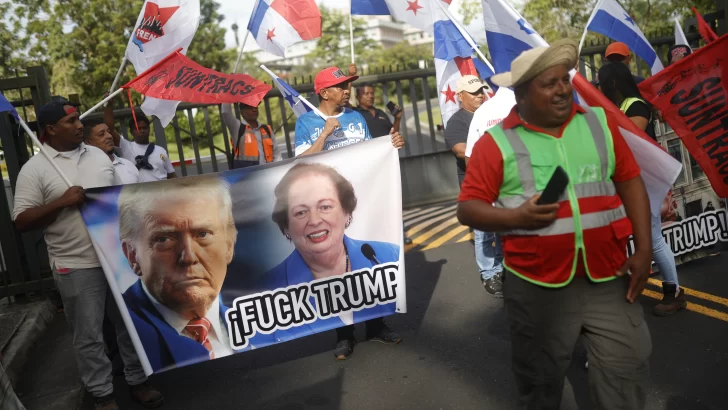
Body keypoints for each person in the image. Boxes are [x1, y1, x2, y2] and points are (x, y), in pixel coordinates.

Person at [457, 39, 653, 410]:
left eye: (565, 79)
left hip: (608, 278)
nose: (563, 89)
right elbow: (468, 209)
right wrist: (515, 217)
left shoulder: (598, 123)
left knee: (626, 370)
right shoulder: (496, 143)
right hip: (537, 287)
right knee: (541, 386)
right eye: (550, 84)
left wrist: (643, 249)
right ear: (523, 95)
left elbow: (629, 179)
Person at [12, 101, 163, 410]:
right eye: (70, 121)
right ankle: (103, 394)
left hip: (117, 257)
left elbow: (122, 199)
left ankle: (137, 380)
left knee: (130, 324)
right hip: (76, 263)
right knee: (89, 333)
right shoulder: (35, 170)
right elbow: (22, 221)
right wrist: (61, 202)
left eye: (78, 119)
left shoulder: (97, 155)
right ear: (51, 130)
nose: (79, 125)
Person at [117, 176, 275, 372]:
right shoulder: (125, 330)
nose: (188, 257)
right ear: (132, 255)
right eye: (165, 239)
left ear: (229, 245)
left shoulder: (265, 321)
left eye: (203, 234)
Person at [265, 163, 402, 360]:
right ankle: (344, 335)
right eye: (300, 212)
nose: (314, 220)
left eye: (325, 207)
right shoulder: (270, 286)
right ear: (286, 225)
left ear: (347, 213)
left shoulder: (387, 254)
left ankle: (376, 327)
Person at [599, 62, 685, 316]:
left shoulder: (636, 106)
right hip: (630, 183)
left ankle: (675, 292)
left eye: (602, 83)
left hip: (643, 183)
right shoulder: (623, 105)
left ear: (613, 84)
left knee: (653, 238)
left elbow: (625, 138)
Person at [444, 75, 504, 297]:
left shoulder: (491, 113)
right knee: (484, 232)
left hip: (501, 181)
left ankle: (504, 267)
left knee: (504, 228)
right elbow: (461, 150)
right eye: (474, 92)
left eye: (481, 90)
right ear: (460, 97)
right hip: (477, 187)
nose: (480, 95)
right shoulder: (457, 122)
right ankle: (489, 273)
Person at [293, 66, 405, 157]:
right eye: (340, 87)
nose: (346, 91)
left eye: (346, 86)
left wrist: (389, 143)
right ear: (324, 93)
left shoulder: (356, 116)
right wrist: (324, 134)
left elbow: (370, 153)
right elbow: (301, 163)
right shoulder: (305, 122)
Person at [353, 80, 412, 245]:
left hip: (386, 166)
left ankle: (398, 235)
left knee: (392, 201)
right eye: (366, 93)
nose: (370, 96)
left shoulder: (380, 113)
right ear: (357, 97)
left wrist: (397, 118)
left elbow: (393, 134)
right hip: (367, 168)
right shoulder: (354, 115)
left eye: (372, 93)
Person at [103, 97, 176, 182]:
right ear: (131, 132)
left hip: (163, 192)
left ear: (149, 129)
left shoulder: (161, 151)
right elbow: (110, 129)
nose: (142, 131)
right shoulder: (126, 147)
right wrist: (109, 105)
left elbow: (171, 175)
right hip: (139, 193)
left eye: (144, 128)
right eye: (138, 128)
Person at [221, 102, 282, 168]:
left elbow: (277, 154)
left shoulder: (266, 129)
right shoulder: (237, 128)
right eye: (250, 108)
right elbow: (225, 112)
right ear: (242, 112)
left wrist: (278, 170)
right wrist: (228, 94)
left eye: (255, 107)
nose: (254, 110)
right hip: (248, 175)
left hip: (268, 173)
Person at [83, 120, 140, 185]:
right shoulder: (85, 171)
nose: (109, 136)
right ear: (88, 142)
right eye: (101, 134)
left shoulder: (128, 165)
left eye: (109, 132)